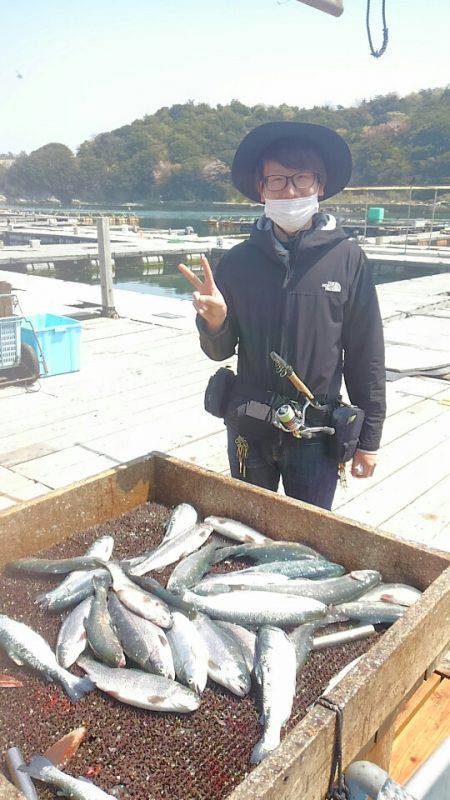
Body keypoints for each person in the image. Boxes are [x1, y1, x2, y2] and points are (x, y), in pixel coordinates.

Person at [178, 122, 386, 510]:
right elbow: (219, 351)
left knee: (308, 538)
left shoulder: (348, 260)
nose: (289, 191)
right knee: (245, 528)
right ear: (261, 189)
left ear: (320, 186)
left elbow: (367, 357)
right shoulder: (237, 262)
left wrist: (368, 440)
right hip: (248, 429)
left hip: (316, 435)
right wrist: (216, 322)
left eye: (301, 179)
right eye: (276, 180)